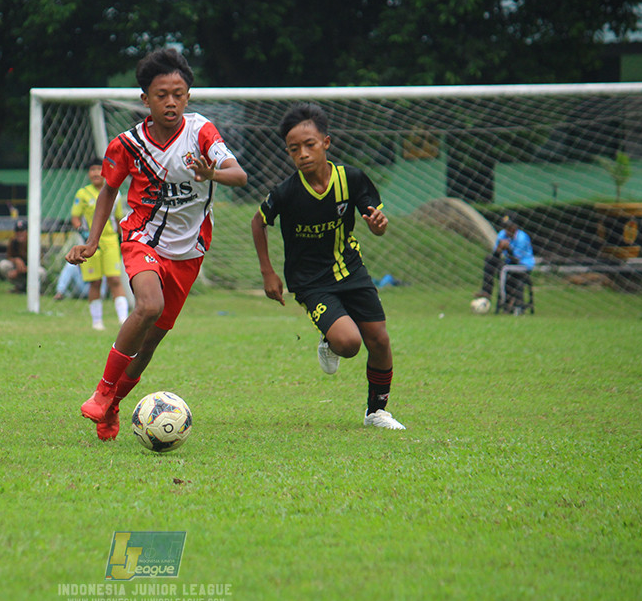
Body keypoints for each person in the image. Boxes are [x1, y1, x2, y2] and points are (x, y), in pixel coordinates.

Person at [66, 48, 248, 441]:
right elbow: (108, 191)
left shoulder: (201, 132)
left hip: (189, 253)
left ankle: (113, 406)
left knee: (149, 345)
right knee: (149, 305)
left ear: (188, 96)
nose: (171, 101)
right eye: (162, 94)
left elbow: (240, 175)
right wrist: (94, 241)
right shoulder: (127, 145)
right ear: (145, 98)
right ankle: (101, 392)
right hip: (141, 237)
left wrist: (211, 172)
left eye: (178, 93)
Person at [251, 103, 405, 431]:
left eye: (310, 144)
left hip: (351, 269)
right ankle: (330, 339)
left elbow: (376, 223)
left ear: (326, 143)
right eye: (294, 149)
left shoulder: (351, 179)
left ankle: (376, 411)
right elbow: (258, 221)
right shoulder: (287, 192)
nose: (303, 154)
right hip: (309, 281)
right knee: (349, 344)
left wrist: (379, 223)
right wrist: (268, 272)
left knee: (379, 339)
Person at [71, 158, 130, 330]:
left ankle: (123, 320)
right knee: (95, 282)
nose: (96, 173)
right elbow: (75, 217)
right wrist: (82, 231)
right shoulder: (82, 194)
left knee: (114, 278)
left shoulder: (115, 193)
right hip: (90, 243)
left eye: (99, 169)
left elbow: (118, 219)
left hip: (110, 241)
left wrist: (123, 239)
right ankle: (97, 321)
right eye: (92, 169)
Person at [476, 215, 535, 308]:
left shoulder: (521, 238)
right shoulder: (502, 234)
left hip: (523, 265)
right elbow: (496, 256)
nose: (506, 230)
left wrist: (509, 248)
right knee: (489, 260)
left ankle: (503, 301)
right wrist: (499, 249)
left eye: (509, 227)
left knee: (503, 269)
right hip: (510, 263)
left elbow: (516, 259)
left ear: (515, 227)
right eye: (505, 227)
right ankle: (486, 291)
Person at [0, 219, 45, 293]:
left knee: (41, 272)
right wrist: (16, 260)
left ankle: (34, 289)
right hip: (19, 271)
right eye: (18, 231)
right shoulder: (13, 242)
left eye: (22, 231)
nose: (20, 234)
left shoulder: (34, 243)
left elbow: (40, 262)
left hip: (30, 270)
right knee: (3, 265)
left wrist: (21, 270)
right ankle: (20, 286)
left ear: (27, 232)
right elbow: (9, 257)